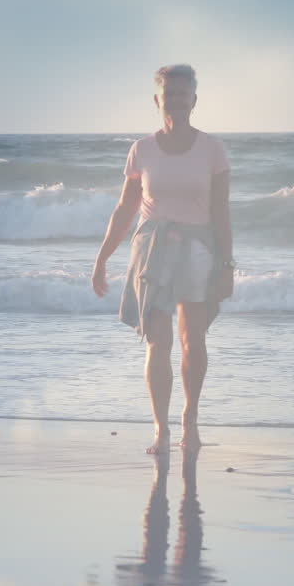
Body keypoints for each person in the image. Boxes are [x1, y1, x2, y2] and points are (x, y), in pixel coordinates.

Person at [91, 64, 233, 454]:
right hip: (152, 250)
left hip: (198, 250)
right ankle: (160, 429)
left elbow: (221, 210)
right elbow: (124, 209)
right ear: (158, 100)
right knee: (158, 342)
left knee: (193, 341)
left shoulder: (213, 150)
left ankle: (190, 419)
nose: (176, 100)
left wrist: (227, 265)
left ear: (194, 100)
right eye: (169, 93)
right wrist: (103, 258)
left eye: (183, 93)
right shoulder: (142, 150)